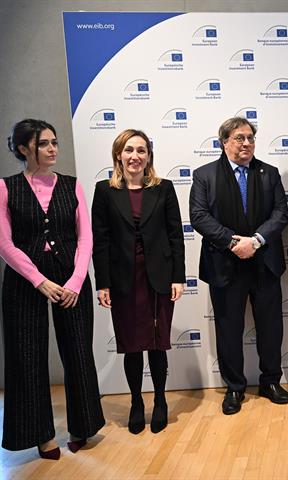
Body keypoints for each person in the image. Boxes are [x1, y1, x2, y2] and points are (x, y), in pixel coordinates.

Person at [0, 119, 104, 459]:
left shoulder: (73, 185)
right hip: (24, 279)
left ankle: (83, 426)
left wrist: (76, 280)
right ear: (23, 149)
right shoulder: (6, 187)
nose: (52, 149)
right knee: (26, 357)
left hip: (70, 274)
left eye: (54, 142)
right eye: (43, 143)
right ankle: (41, 434)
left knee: (77, 352)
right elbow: (5, 244)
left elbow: (85, 237)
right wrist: (38, 280)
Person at [190, 117, 288, 415]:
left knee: (271, 328)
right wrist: (233, 243)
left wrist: (256, 241)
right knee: (229, 329)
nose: (246, 143)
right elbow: (199, 215)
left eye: (249, 138)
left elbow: (281, 213)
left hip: (265, 264)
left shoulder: (269, 174)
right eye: (239, 138)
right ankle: (234, 387)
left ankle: (271, 381)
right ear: (224, 142)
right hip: (225, 266)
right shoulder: (205, 175)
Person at [91, 129, 185, 434]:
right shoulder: (104, 191)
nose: (135, 156)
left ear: (149, 155)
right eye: (129, 150)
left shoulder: (164, 189)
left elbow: (175, 237)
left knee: (157, 345)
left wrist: (178, 277)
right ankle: (135, 402)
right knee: (131, 346)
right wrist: (102, 283)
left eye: (141, 150)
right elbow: (100, 241)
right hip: (122, 281)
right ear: (119, 154)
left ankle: (159, 401)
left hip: (158, 277)